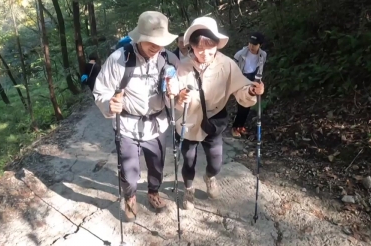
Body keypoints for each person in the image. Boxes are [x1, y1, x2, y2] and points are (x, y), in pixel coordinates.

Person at [166, 17, 265, 210]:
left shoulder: (227, 64)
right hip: (189, 120)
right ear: (192, 47)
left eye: (209, 46)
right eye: (199, 47)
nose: (204, 52)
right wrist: (178, 97)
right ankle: (189, 188)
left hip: (214, 120)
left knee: (216, 163)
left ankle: (210, 177)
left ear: (216, 44)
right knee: (188, 159)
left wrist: (252, 91)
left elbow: (241, 87)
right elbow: (174, 96)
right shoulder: (183, 66)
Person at [92, 11, 180, 222]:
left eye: (160, 41)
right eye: (151, 41)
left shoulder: (169, 58)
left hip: (158, 125)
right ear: (139, 37)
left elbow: (177, 92)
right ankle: (130, 196)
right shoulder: (119, 60)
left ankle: (153, 192)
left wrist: (173, 93)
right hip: (127, 126)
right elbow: (100, 91)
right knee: (129, 173)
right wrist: (109, 104)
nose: (156, 46)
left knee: (157, 167)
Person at [231, 32, 267, 137]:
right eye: (250, 43)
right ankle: (235, 127)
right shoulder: (240, 54)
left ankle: (241, 126)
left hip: (253, 79)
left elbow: (260, 69)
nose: (251, 46)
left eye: (254, 44)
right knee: (242, 104)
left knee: (249, 104)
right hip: (241, 78)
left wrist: (258, 81)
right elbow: (233, 69)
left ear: (260, 45)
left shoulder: (262, 55)